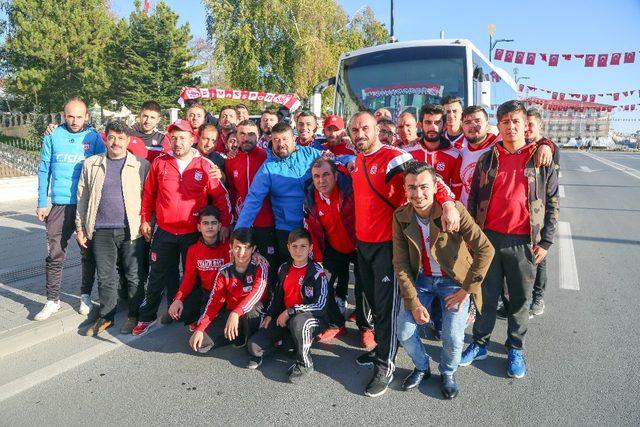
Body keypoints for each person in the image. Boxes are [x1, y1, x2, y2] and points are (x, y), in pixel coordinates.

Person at [348, 110, 459, 397]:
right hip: (364, 245)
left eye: (365, 129)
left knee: (387, 311)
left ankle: (386, 365)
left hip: (388, 246)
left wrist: (447, 204)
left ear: (376, 129)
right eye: (355, 130)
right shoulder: (357, 160)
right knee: (374, 306)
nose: (360, 134)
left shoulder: (394, 157)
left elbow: (429, 179)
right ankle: (380, 350)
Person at [460, 100, 559, 379]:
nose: (511, 127)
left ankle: (515, 347)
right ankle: (479, 342)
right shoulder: (487, 158)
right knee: (485, 296)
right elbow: (475, 199)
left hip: (523, 243)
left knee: (519, 300)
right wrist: (472, 236)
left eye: (516, 121)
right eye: (505, 122)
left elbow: (552, 202)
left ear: (525, 124)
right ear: (499, 125)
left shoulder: (539, 158)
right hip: (488, 240)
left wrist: (546, 242)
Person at [393, 161, 494, 398]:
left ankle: (448, 372)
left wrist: (467, 290)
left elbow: (485, 249)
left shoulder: (453, 209)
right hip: (422, 282)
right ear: (405, 189)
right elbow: (400, 263)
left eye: (424, 187)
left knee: (452, 335)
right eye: (412, 187)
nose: (418, 194)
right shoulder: (400, 216)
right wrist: (414, 303)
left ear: (435, 185)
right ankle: (422, 367)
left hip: (454, 282)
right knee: (404, 331)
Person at [132, 119, 233, 336]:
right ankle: (147, 317)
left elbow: (220, 197)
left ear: (192, 139)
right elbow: (149, 194)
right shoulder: (160, 162)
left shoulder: (205, 166)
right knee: (157, 275)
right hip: (165, 231)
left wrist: (225, 224)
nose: (177, 142)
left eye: (182, 138)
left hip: (192, 234)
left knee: (192, 277)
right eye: (174, 138)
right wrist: (144, 219)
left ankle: (190, 315)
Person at [235, 122, 354, 271]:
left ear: (293, 138)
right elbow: (253, 200)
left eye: (285, 139)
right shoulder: (268, 168)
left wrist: (350, 161)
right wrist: (239, 235)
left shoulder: (310, 154)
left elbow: (334, 159)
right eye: (276, 140)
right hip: (287, 229)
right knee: (290, 272)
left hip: (316, 225)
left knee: (320, 271)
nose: (281, 144)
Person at [75, 120, 149, 335]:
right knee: (105, 277)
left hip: (131, 230)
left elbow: (149, 198)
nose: (116, 142)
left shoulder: (141, 165)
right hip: (101, 231)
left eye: (121, 138)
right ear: (105, 138)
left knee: (133, 275)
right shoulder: (92, 164)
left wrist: (147, 223)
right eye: (112, 137)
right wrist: (80, 228)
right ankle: (106, 317)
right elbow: (83, 197)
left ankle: (134, 314)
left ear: (128, 141)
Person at [34, 98, 104, 321]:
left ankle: (85, 296)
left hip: (85, 205)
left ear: (86, 117)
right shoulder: (52, 136)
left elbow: (103, 168)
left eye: (79, 116)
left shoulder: (93, 138)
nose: (74, 121)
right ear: (64, 116)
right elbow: (44, 169)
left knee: (87, 252)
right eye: (70, 116)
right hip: (60, 204)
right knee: (55, 253)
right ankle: (52, 300)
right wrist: (41, 202)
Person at [303, 158, 375, 347]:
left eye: (326, 174)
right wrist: (318, 259)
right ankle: (336, 323)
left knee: (364, 286)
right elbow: (313, 231)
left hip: (359, 244)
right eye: (316, 176)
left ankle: (366, 327)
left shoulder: (351, 187)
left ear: (335, 175)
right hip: (334, 247)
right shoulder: (311, 198)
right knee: (322, 283)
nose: (321, 180)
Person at [246, 228, 329, 383]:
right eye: (294, 246)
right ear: (288, 247)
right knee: (254, 347)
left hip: (311, 319)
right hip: (286, 318)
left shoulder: (318, 273)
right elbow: (277, 297)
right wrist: (270, 314)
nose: (298, 251)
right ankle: (290, 343)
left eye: (303, 246)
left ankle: (305, 362)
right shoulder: (284, 268)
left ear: (310, 248)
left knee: (299, 322)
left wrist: (291, 311)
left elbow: (321, 306)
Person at [189, 227, 268, 353]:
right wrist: (200, 328)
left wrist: (236, 313)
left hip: (251, 311)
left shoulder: (260, 266)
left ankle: (250, 340)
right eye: (237, 247)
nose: (241, 252)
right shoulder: (224, 271)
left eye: (246, 248)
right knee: (200, 345)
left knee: (251, 313)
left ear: (253, 249)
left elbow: (256, 294)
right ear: (231, 246)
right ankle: (236, 334)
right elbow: (214, 301)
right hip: (231, 312)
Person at [225, 120, 278, 291]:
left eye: (251, 134)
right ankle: (245, 303)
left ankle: (269, 301)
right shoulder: (231, 160)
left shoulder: (267, 156)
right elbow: (231, 193)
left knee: (269, 264)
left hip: (266, 222)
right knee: (244, 264)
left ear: (258, 136)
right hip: (243, 222)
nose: (246, 138)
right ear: (236, 136)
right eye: (242, 134)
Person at [167, 206, 231, 327]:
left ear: (219, 226)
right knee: (182, 313)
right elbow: (188, 278)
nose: (210, 226)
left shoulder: (229, 246)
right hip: (207, 293)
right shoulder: (193, 250)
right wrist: (178, 299)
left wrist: (256, 254)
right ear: (199, 227)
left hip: (227, 294)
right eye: (205, 223)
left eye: (213, 223)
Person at [525, 108, 560, 317]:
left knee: (539, 257)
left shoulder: (548, 148)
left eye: (531, 124)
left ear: (540, 126)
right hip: (519, 217)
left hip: (540, 214)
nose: (527, 128)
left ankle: (538, 297)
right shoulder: (521, 146)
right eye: (525, 123)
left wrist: (546, 144)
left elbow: (552, 194)